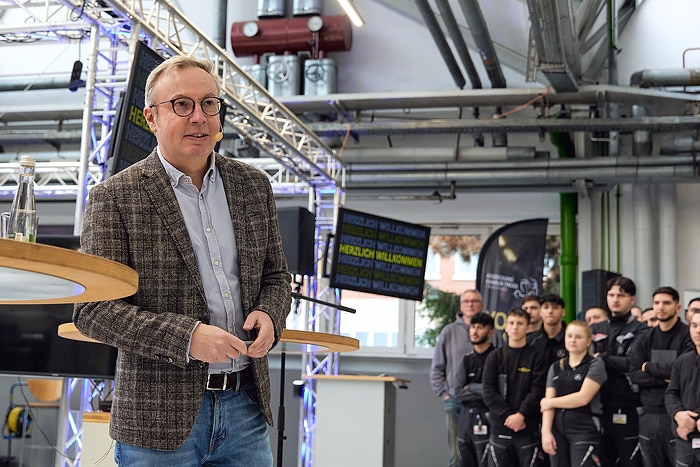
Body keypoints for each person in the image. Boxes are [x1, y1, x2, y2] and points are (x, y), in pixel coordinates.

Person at [73, 56, 292, 466]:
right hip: (158, 422)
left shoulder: (254, 187)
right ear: (151, 117)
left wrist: (270, 313)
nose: (199, 117)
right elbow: (92, 311)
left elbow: (277, 277)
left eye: (209, 103)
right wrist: (187, 338)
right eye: (182, 105)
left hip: (246, 407)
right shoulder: (116, 197)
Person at [629, 286, 693, 467]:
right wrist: (663, 378)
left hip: (676, 414)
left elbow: (682, 370)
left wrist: (648, 367)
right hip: (648, 413)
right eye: (656, 303)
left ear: (677, 307)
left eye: (666, 303)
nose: (660, 307)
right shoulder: (644, 338)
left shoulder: (687, 336)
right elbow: (634, 374)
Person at [590, 276, 648, 467]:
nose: (615, 299)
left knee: (630, 461)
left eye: (621, 295)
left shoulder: (641, 330)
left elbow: (633, 364)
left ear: (632, 299)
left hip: (629, 406)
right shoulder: (596, 328)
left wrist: (603, 358)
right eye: (611, 294)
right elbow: (586, 361)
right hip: (597, 407)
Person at [482, 308, 546, 467]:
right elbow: (488, 391)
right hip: (500, 427)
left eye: (520, 323)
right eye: (511, 323)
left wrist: (521, 415)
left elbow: (538, 390)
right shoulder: (495, 357)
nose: (515, 327)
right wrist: (509, 416)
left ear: (528, 328)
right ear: (506, 327)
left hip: (527, 428)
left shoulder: (537, 356)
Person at [540, 320, 606, 467]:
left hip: (584, 427)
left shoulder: (595, 364)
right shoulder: (556, 367)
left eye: (578, 337)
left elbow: (583, 398)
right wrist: (546, 432)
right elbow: (547, 402)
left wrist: (551, 402)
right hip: (557, 428)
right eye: (569, 336)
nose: (573, 340)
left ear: (588, 341)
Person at [431, 289, 484, 467]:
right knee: (456, 456)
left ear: (481, 305)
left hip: (483, 403)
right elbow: (437, 366)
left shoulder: (492, 333)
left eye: (474, 301)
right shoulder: (449, 331)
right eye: (466, 301)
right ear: (461, 306)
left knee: (483, 456)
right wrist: (445, 394)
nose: (470, 304)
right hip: (455, 401)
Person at [454, 312, 496, 467]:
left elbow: (495, 392)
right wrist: (483, 390)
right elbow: (458, 392)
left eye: (480, 327)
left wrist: (471, 387)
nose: (475, 331)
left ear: (490, 332)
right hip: (465, 419)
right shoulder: (466, 360)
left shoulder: (497, 358)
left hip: (488, 417)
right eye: (472, 327)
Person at [665, 308, 700, 467]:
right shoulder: (683, 360)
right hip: (684, 437)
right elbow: (671, 393)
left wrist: (695, 418)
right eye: (694, 325)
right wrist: (678, 415)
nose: (698, 330)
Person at [529, 294, 568, 368]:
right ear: (540, 312)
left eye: (555, 307)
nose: (550, 311)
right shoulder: (530, 341)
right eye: (546, 307)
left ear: (563, 312)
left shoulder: (572, 338)